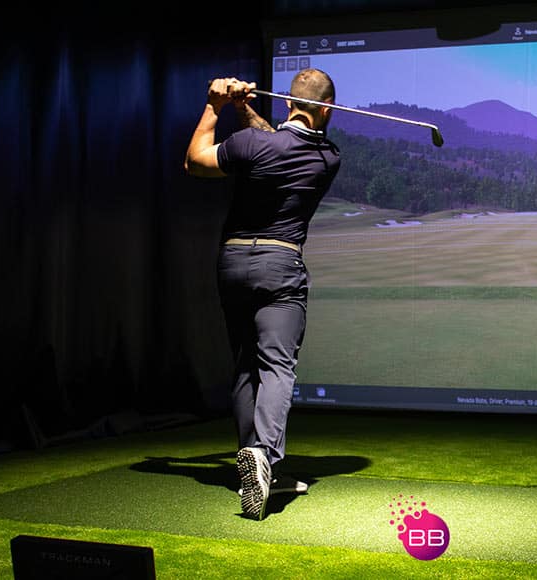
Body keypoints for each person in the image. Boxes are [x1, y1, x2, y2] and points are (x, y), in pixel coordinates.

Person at [184, 69, 340, 520]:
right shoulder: (328, 156)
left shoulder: (254, 146)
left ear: (289, 103)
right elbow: (280, 144)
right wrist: (234, 106)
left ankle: (250, 461)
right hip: (281, 264)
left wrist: (217, 105)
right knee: (277, 364)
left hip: (232, 262)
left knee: (245, 366)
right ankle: (265, 458)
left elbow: (195, 161)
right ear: (325, 110)